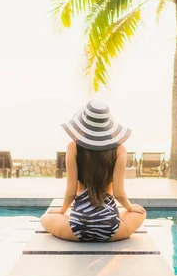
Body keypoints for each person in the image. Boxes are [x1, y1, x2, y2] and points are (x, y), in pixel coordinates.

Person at [40, 100, 146, 242]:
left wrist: (62, 211)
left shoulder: (73, 147)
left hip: (78, 228)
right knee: (140, 212)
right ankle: (112, 219)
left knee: (45, 218)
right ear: (108, 124)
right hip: (111, 229)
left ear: (83, 123)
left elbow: (71, 192)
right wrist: (129, 207)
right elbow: (119, 193)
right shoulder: (120, 149)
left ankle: (83, 221)